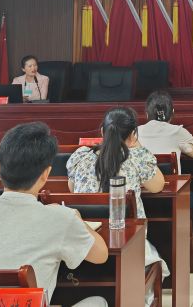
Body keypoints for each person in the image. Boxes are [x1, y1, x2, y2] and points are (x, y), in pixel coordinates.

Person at [0, 122, 108, 307]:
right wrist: (75, 217)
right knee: (99, 302)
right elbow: (101, 255)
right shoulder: (60, 218)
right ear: (45, 174)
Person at [67, 107, 168, 285]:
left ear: (102, 132)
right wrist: (136, 145)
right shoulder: (137, 158)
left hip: (86, 244)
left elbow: (72, 189)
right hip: (128, 243)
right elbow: (157, 186)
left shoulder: (81, 157)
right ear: (133, 134)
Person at [138, 91, 193, 165]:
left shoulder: (135, 132)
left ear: (147, 114)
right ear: (172, 113)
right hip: (170, 173)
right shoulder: (178, 132)